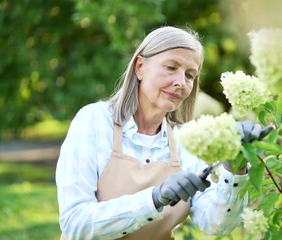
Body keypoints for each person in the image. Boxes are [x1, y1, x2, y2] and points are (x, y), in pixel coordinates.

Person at [56, 26, 271, 240]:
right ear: (140, 67)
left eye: (190, 75)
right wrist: (154, 199)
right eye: (171, 67)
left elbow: (216, 225)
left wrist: (236, 167)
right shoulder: (94, 121)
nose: (181, 83)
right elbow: (76, 223)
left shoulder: (186, 140)